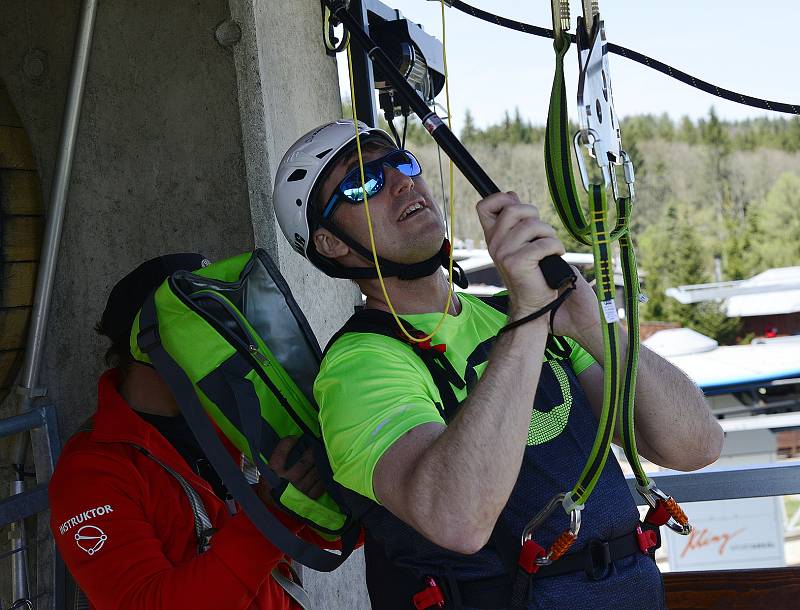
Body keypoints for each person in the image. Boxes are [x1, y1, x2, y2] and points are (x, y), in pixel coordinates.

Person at [272, 120, 724, 609]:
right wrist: (529, 316)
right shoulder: (360, 367)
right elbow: (457, 519)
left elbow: (695, 445)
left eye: (400, 162)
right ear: (332, 244)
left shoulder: (521, 316)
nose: (401, 181)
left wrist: (594, 325)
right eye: (364, 183)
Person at [49, 253, 325, 610]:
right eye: (200, 322)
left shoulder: (225, 412)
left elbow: (334, 533)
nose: (223, 335)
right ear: (149, 343)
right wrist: (274, 516)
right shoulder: (90, 475)